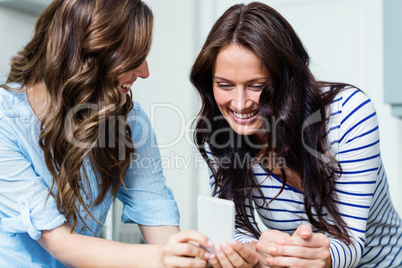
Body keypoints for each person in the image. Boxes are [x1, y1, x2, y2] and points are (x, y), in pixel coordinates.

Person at [0, 0, 212, 267]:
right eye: (133, 58)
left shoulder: (130, 122)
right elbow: (59, 242)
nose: (145, 72)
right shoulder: (5, 122)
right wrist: (162, 257)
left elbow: (160, 224)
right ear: (87, 55)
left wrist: (195, 257)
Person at [190, 2, 402, 267]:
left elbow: (351, 242)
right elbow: (234, 228)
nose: (240, 103)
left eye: (256, 86)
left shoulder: (348, 114)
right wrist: (256, 250)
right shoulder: (221, 130)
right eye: (224, 85)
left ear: (287, 79)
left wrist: (320, 257)